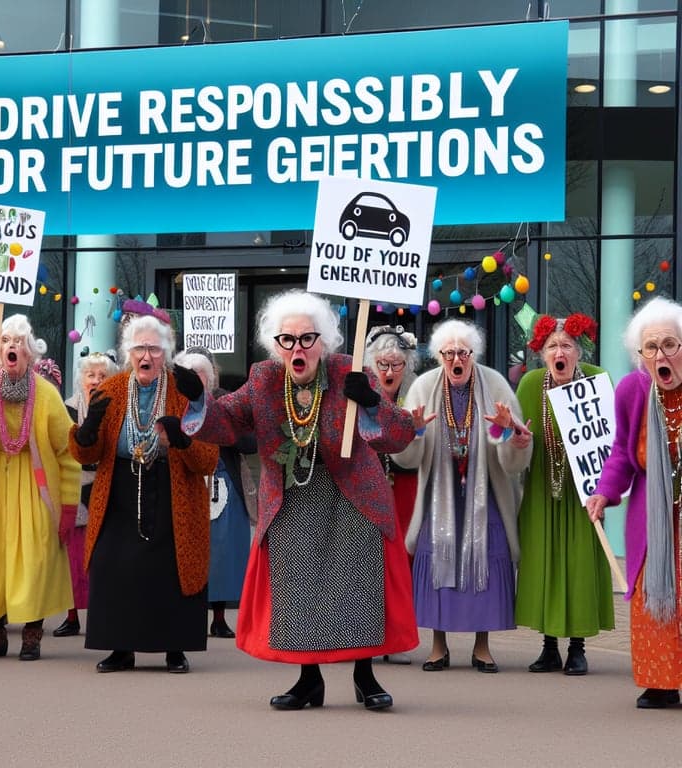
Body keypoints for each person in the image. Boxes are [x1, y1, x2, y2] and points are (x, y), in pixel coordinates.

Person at [176, 289, 420, 711]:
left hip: (351, 494)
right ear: (276, 346)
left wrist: (371, 405)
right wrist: (199, 399)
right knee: (299, 592)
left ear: (323, 342)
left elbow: (398, 435)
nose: (297, 348)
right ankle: (309, 681)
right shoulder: (264, 380)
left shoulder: (349, 372)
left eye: (307, 338)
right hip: (293, 496)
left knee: (356, 588)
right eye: (287, 340)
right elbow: (228, 422)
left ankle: (365, 676)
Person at [68, 300, 218, 673]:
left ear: (166, 353)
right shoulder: (113, 389)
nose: (146, 355)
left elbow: (208, 459)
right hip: (118, 489)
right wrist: (85, 432)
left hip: (173, 488)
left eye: (153, 348)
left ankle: (175, 648)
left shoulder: (185, 391)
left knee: (171, 567)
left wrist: (181, 441)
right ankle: (120, 647)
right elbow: (85, 452)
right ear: (128, 353)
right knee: (114, 564)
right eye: (139, 348)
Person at [393, 319, 532, 673]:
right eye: (449, 353)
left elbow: (513, 461)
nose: (456, 359)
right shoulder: (423, 386)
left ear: (472, 355)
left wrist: (510, 437)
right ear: (440, 355)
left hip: (485, 491)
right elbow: (407, 457)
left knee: (485, 559)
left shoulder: (496, 384)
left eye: (463, 353)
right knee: (437, 557)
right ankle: (438, 646)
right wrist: (414, 434)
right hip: (439, 493)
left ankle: (482, 646)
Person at [0, 315, 80, 661]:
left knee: (34, 555)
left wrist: (69, 505)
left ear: (29, 353)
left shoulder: (45, 393)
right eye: (5, 341)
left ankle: (31, 635)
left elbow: (67, 451)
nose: (11, 346)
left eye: (18, 342)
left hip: (34, 483)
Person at [586, 296, 682, 708]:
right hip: (653, 517)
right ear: (639, 355)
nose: (661, 355)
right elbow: (624, 453)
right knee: (654, 597)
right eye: (651, 348)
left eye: (670, 345)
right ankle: (661, 682)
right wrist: (604, 492)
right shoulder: (632, 390)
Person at [515, 313, 614, 675]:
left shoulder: (598, 379)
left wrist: (605, 490)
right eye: (552, 346)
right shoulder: (529, 385)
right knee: (543, 563)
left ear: (578, 351)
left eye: (567, 346)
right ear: (542, 353)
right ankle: (548, 647)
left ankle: (577, 647)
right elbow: (517, 444)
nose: (560, 352)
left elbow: (609, 440)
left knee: (579, 564)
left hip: (583, 493)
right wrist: (517, 441)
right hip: (542, 487)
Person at [175, 347, 257, 639]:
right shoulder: (173, 402)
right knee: (191, 549)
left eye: (201, 373)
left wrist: (225, 430)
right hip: (189, 481)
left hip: (225, 481)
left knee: (224, 552)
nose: (197, 378)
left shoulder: (225, 400)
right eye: (191, 373)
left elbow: (250, 442)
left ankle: (219, 616)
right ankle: (191, 613)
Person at [363, 324, 420, 665]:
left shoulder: (417, 394)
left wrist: (419, 433)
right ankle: (367, 636)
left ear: (407, 366)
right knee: (369, 563)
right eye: (382, 363)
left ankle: (397, 638)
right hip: (370, 489)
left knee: (402, 564)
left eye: (396, 364)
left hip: (406, 489)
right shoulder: (362, 393)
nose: (388, 371)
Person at [54, 351, 119, 638]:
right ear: (80, 378)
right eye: (90, 375)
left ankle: (102, 615)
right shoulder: (66, 409)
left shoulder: (117, 407)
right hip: (74, 485)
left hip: (106, 485)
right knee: (73, 558)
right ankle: (71, 616)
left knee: (104, 556)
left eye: (102, 376)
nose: (95, 380)